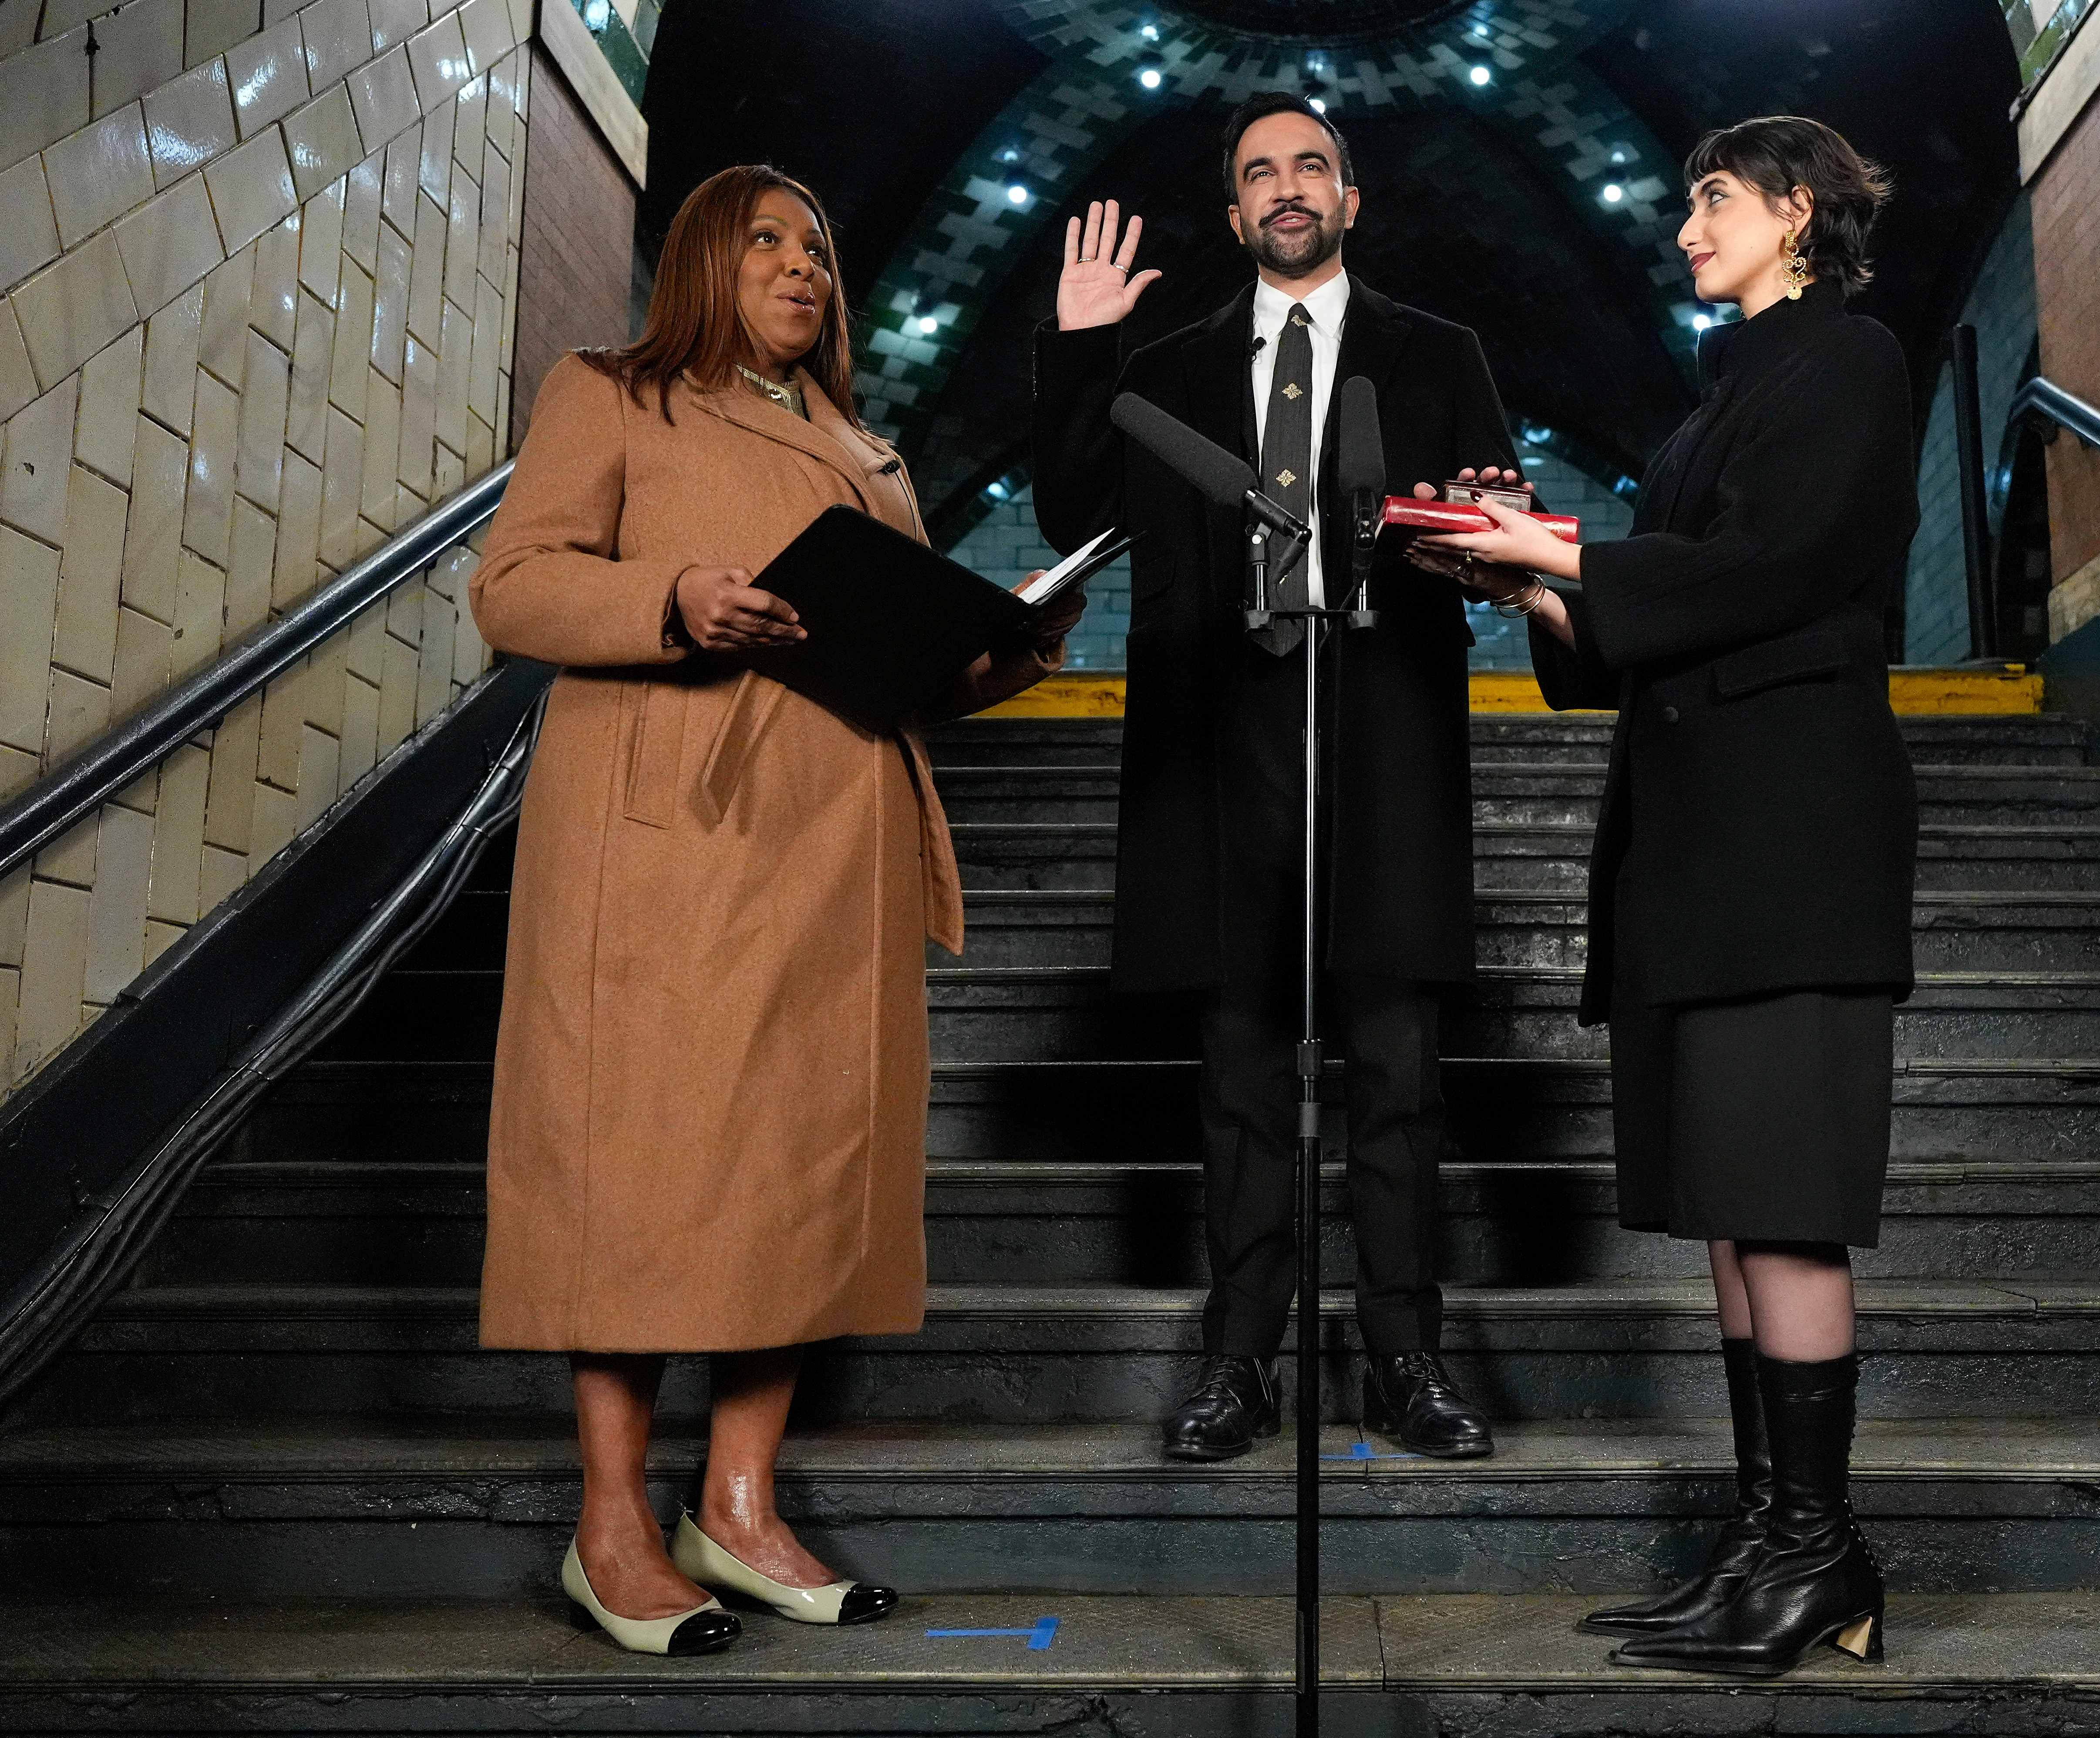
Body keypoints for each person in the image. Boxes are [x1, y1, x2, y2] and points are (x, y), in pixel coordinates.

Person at [471, 164, 1079, 1656]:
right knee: (643, 1165)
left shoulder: (866, 448)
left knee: (802, 1168)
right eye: (769, 242)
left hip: (841, 846)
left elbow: (905, 649)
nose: (806, 267)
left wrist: (1002, 652)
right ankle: (610, 1525)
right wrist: (672, 594)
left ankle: (736, 1504)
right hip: (674, 838)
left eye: (819, 246)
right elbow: (515, 584)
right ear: (701, 259)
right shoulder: (613, 391)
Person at [1413, 115, 1917, 1678]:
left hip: (1787, 840)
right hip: (1697, 848)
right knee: (1723, 1206)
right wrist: (1533, 586)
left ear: (1802, 211)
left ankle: (1822, 1550)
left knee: (1781, 1202)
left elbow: (1770, 565)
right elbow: (1654, 609)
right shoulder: (1722, 394)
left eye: (1712, 197)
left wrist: (1566, 545)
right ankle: (1773, 1543)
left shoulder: (1851, 361)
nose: (1684, 222)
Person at [1032, 94, 1529, 1462]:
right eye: (1261, 173)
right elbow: (1075, 510)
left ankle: (1404, 1356)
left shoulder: (1439, 354)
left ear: (1352, 199)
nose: (1288, 187)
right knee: (1243, 1069)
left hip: (1383, 729)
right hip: (1221, 735)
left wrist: (1492, 538)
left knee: (1394, 1064)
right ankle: (1238, 1360)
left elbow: (1500, 522)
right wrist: (1079, 347)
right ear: (1236, 211)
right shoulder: (1175, 368)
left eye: (1312, 165)